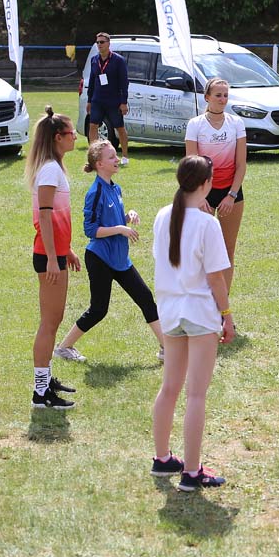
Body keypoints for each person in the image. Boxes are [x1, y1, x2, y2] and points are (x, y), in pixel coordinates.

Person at [150, 155, 235, 492]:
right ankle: (192, 471)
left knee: (169, 388)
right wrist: (227, 315)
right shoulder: (207, 224)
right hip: (199, 313)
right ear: (205, 184)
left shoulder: (162, 216)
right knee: (196, 394)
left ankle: (162, 458)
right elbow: (216, 278)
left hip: (170, 311)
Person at [54, 140, 166, 363]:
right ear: (99, 164)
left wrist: (127, 216)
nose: (117, 160)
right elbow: (91, 230)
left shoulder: (116, 188)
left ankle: (166, 348)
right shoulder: (95, 192)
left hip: (120, 259)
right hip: (100, 258)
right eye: (112, 157)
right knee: (99, 309)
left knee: (145, 298)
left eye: (116, 155)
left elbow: (113, 220)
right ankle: (63, 347)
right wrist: (121, 229)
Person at [25, 106, 81, 409]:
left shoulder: (54, 168)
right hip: (48, 256)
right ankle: (40, 392)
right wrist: (51, 257)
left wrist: (65, 249)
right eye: (71, 133)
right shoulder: (49, 170)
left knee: (54, 320)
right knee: (49, 323)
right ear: (58, 137)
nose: (75, 137)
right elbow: (44, 217)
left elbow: (56, 218)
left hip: (56, 253)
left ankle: (46, 381)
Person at [186, 78, 246, 296]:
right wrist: (199, 197)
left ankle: (222, 305)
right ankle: (201, 301)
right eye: (218, 95)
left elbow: (241, 164)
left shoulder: (236, 123)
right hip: (202, 194)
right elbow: (191, 165)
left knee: (227, 250)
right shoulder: (195, 124)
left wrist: (231, 195)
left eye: (225, 95)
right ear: (207, 97)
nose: (222, 99)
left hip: (231, 192)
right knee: (201, 251)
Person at [85, 32, 130, 165]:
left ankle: (125, 156)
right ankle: (93, 156)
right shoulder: (94, 60)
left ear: (108, 43)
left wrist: (123, 102)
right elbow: (92, 81)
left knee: (119, 127)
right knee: (93, 126)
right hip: (97, 100)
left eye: (102, 42)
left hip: (113, 100)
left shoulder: (118, 60)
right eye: (97, 42)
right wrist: (89, 100)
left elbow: (124, 82)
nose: (99, 45)